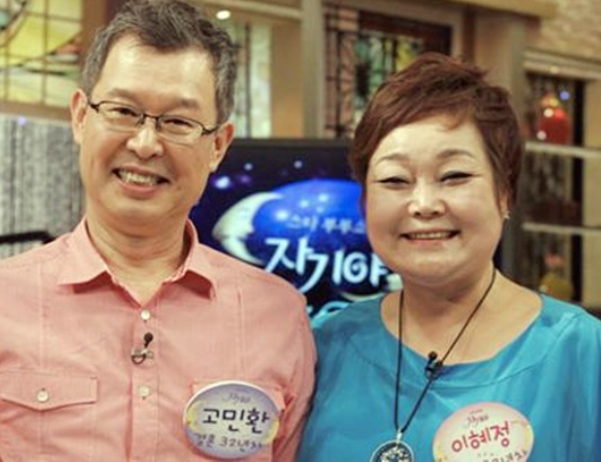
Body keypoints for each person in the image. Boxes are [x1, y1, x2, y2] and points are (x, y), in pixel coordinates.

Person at [0, 1, 315, 460]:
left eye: (178, 122)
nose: (145, 144)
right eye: (123, 111)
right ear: (81, 117)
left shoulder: (278, 316)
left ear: (218, 145)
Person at [298, 52, 601, 461]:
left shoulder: (582, 353)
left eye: (454, 176)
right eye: (395, 180)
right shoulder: (322, 347)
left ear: (504, 193)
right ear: (365, 203)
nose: (424, 204)